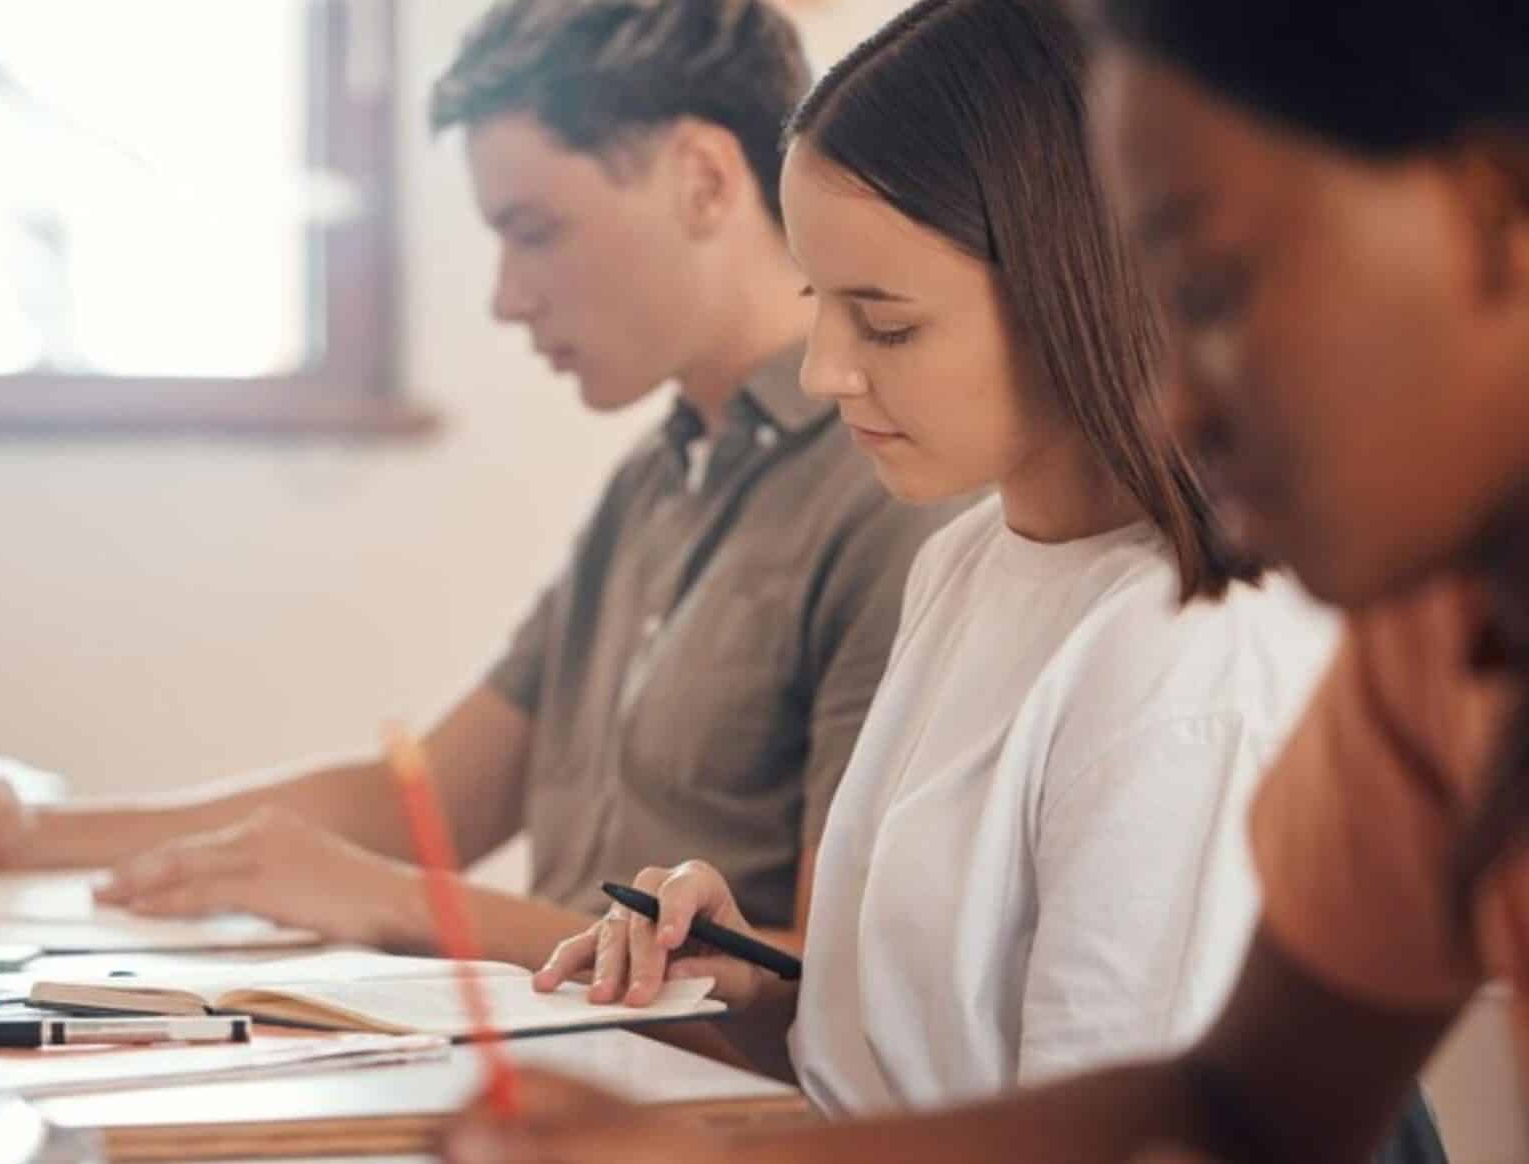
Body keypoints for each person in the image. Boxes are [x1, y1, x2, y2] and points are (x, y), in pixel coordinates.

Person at [439, 0, 1522, 1160]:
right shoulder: (1427, 654)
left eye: (1213, 294)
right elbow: (1231, 1108)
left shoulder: (1192, 650)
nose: (1181, 401)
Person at [0, 0, 965, 970]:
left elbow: (826, 987)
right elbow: (430, 802)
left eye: (535, 233)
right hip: (557, 1068)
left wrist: (391, 904)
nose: (506, 298)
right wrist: (22, 837)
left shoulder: (888, 497)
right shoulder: (657, 479)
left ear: (704, 180)